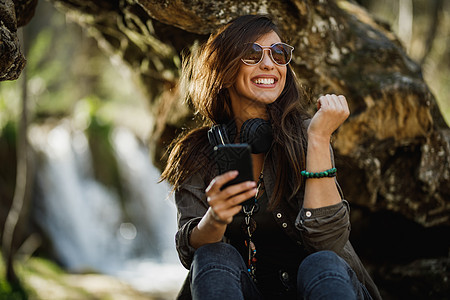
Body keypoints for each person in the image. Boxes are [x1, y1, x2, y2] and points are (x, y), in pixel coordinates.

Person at [161, 14, 381, 300]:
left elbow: (329, 242)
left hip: (317, 287)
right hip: (241, 290)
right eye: (252, 53)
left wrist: (318, 140)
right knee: (213, 256)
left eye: (278, 54)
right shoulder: (196, 152)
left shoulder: (308, 134)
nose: (269, 64)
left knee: (322, 262)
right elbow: (190, 255)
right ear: (224, 69)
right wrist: (215, 218)